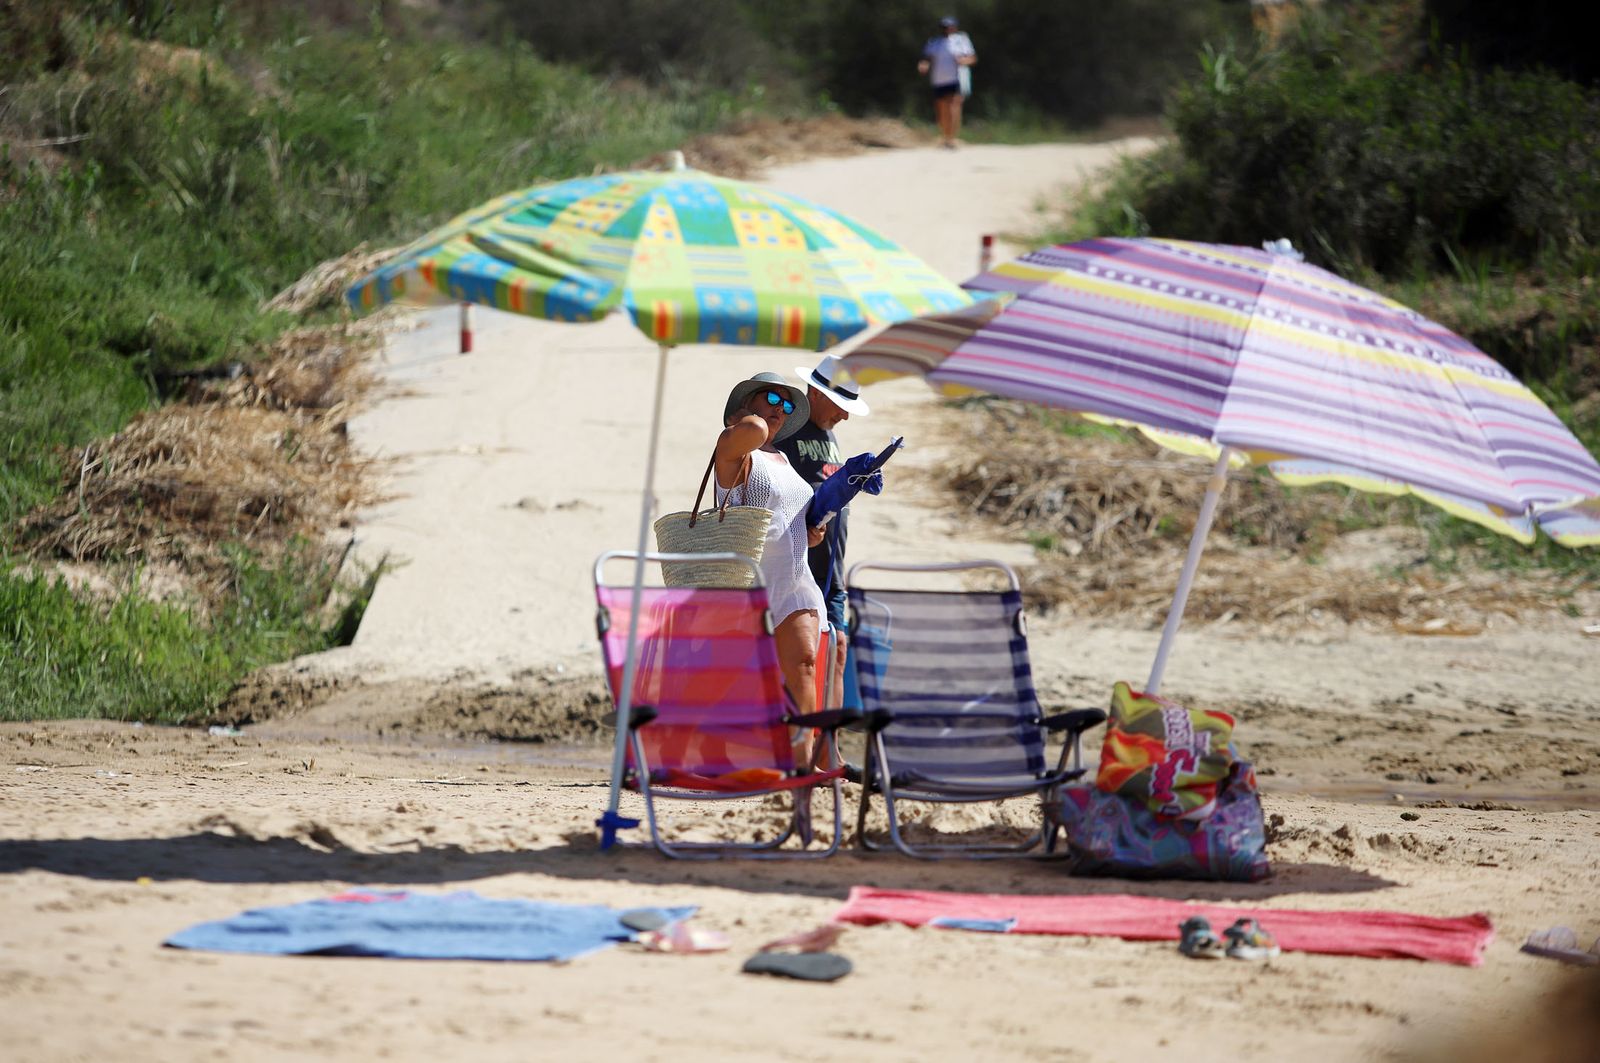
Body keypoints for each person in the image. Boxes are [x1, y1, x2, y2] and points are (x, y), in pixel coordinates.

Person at [713, 372, 827, 749]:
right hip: (747, 582)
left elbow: (785, 513)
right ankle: (724, 755)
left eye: (788, 405)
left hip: (792, 578)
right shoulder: (734, 444)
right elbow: (753, 430)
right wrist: (751, 417)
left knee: (804, 665)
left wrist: (808, 532)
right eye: (773, 400)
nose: (782, 410)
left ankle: (802, 761)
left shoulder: (782, 458)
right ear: (747, 404)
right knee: (743, 682)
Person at [775, 354, 878, 710]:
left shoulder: (828, 433)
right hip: (797, 575)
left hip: (832, 573)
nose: (845, 415)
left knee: (837, 653)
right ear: (816, 393)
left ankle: (827, 741)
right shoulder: (786, 432)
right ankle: (803, 738)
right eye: (841, 404)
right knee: (804, 660)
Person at [918, 15, 976, 149]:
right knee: (942, 109)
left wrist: (963, 61)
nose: (947, 29)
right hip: (939, 80)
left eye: (950, 27)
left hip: (956, 78)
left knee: (954, 107)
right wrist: (924, 65)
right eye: (944, 27)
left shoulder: (961, 40)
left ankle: (952, 138)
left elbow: (972, 58)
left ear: (955, 27)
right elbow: (927, 58)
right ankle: (945, 136)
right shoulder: (934, 42)